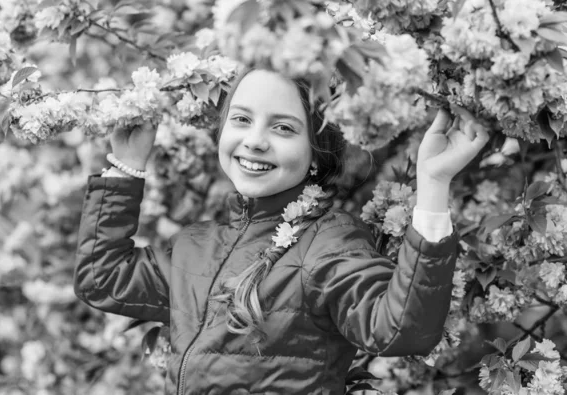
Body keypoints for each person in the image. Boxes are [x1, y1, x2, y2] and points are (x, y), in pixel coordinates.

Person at [73, 68, 489, 394]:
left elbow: (399, 329)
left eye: (283, 128)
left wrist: (433, 186)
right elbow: (102, 278)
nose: (255, 141)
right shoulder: (194, 247)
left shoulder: (328, 243)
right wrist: (125, 167)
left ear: (315, 152)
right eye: (241, 119)